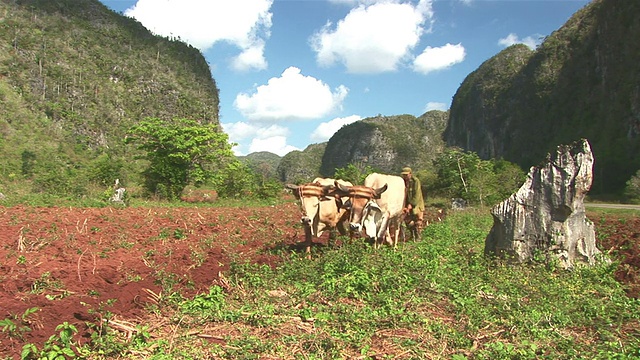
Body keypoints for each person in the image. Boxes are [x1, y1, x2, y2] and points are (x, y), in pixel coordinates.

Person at [401, 167, 424, 240]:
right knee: (409, 221)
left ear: (410, 174)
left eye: (406, 175)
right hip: (407, 204)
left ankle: (418, 237)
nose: (405, 176)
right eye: (404, 175)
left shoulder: (415, 181)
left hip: (417, 204)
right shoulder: (403, 182)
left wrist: (411, 204)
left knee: (418, 221)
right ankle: (412, 236)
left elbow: (417, 194)